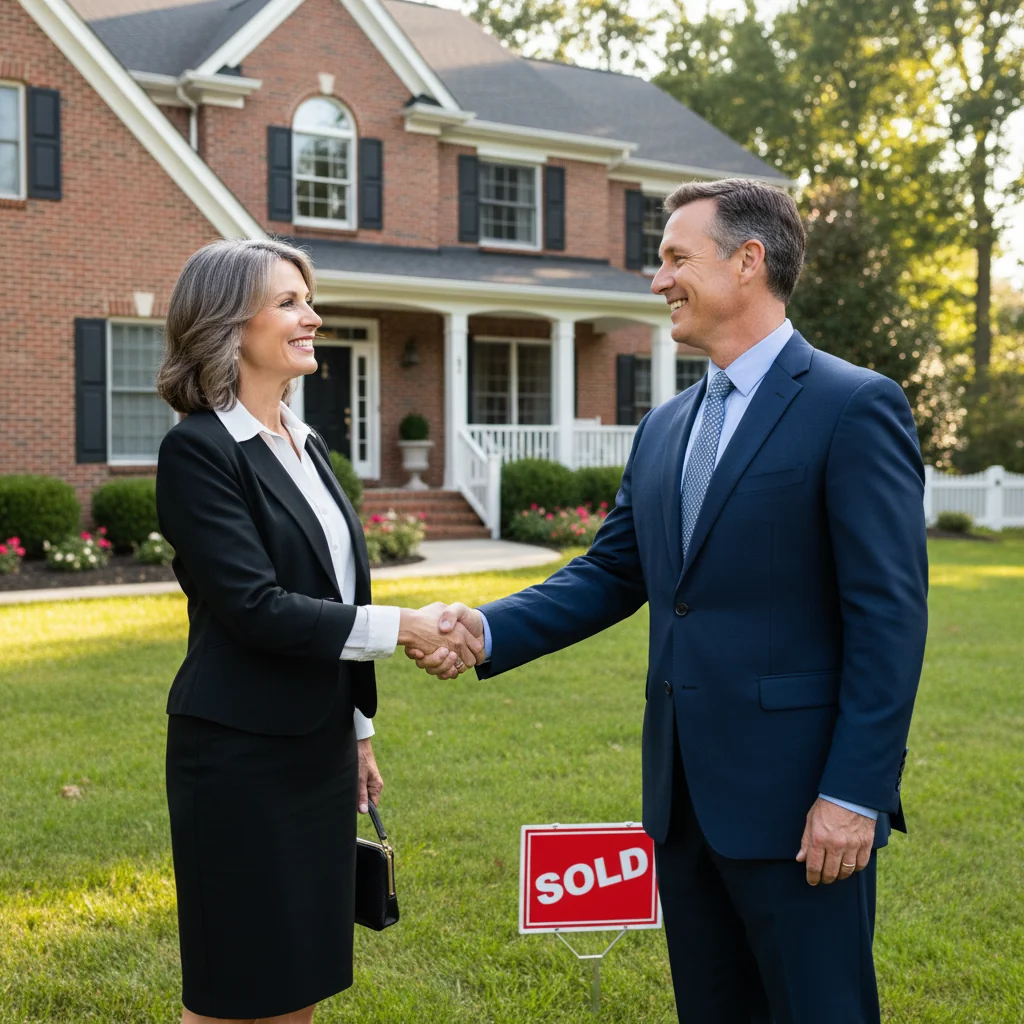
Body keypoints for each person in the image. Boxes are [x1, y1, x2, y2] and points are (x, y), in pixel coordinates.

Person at [407, 180, 929, 1023]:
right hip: (683, 805)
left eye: (675, 258)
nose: (658, 282)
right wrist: (486, 627)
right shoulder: (666, 426)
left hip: (803, 808)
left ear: (748, 261)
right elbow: (615, 573)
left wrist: (854, 794)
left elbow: (890, 619)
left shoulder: (853, 406)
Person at [155, 238, 481, 1024]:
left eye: (309, 298)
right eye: (289, 302)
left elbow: (334, 593)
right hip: (238, 756)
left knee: (300, 973)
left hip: (317, 751)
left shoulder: (309, 445)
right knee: (236, 984)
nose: (314, 316)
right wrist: (404, 625)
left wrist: (358, 731)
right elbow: (256, 608)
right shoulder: (198, 451)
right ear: (231, 324)